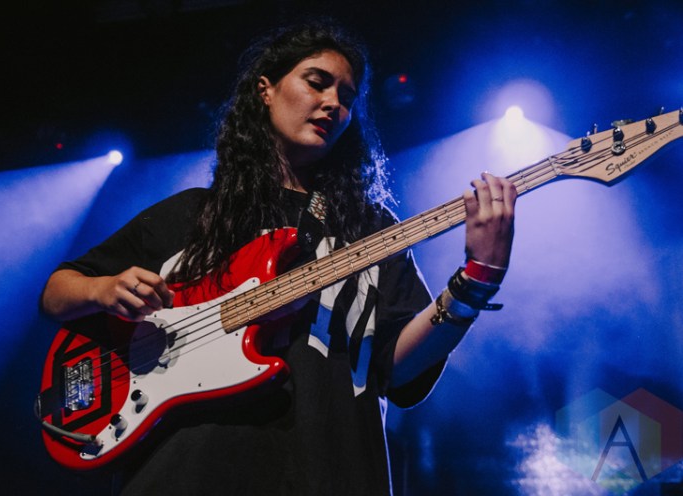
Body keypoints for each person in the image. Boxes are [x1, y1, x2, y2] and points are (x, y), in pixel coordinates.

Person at [40, 20, 516, 495]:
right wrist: (102, 289)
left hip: (329, 473)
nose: (333, 103)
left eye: (347, 97)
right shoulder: (192, 215)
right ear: (265, 90)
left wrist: (476, 281)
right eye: (317, 82)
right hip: (183, 475)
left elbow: (396, 370)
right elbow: (56, 292)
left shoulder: (370, 230)